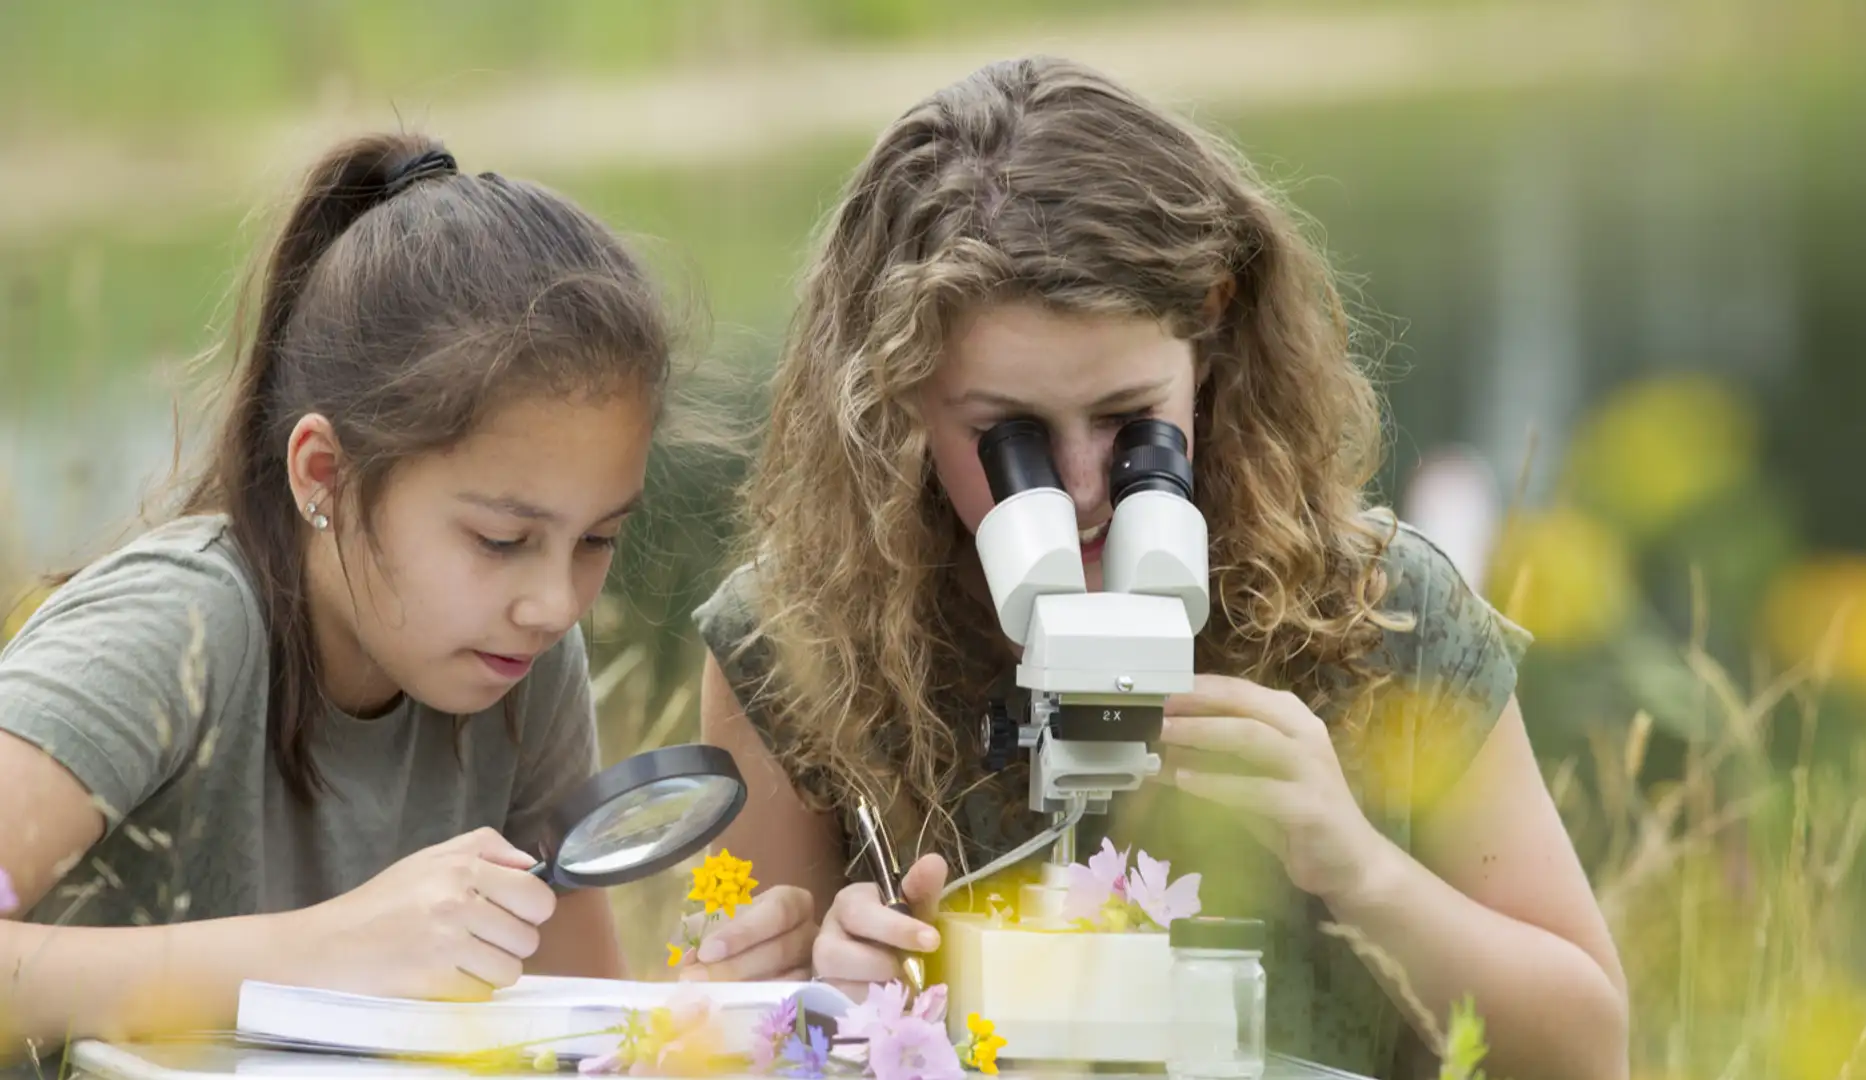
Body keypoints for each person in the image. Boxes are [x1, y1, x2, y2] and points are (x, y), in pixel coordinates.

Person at [691, 57, 1629, 1079]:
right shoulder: (800, 639)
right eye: (1012, 436)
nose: (1086, 486)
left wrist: (1363, 872)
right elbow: (718, 1035)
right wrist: (827, 1004)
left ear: (1213, 334)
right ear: (898, 396)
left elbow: (1589, 1051)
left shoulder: (1383, 609)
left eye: (1131, 423)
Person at [0, 132, 813, 1050]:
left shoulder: (522, 663)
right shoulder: (171, 630)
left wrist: (692, 1020)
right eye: (501, 539)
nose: (553, 602)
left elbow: (568, 1025)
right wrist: (318, 951)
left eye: (596, 540)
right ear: (324, 476)